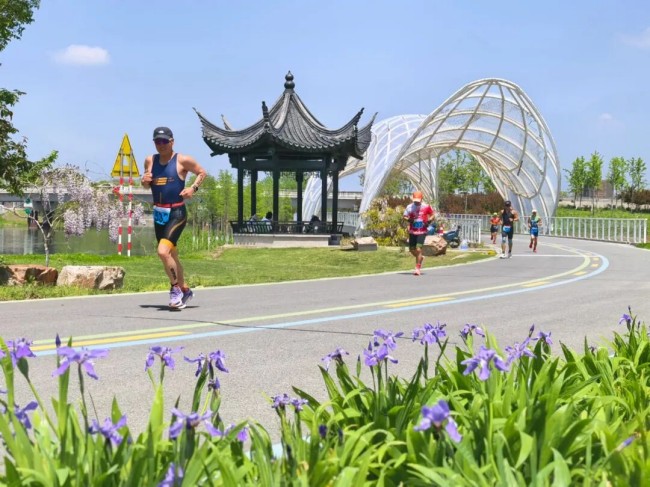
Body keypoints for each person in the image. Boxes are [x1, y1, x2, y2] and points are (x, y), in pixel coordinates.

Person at [141, 126, 207, 309]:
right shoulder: (150, 160)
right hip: (159, 214)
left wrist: (193, 188)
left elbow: (202, 172)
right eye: (157, 141)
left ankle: (175, 289)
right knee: (172, 256)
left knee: (163, 252)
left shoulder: (182, 160)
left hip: (177, 213)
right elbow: (147, 185)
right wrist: (144, 182)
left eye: (164, 141)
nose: (161, 144)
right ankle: (185, 290)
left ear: (172, 142)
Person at [403, 191, 435, 275]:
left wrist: (429, 220)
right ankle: (420, 257)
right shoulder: (409, 207)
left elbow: (432, 215)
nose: (416, 202)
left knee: (418, 249)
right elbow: (404, 216)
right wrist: (409, 220)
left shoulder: (426, 206)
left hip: (422, 231)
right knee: (412, 249)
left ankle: (417, 268)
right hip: (412, 231)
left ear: (421, 199)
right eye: (415, 201)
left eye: (418, 201)